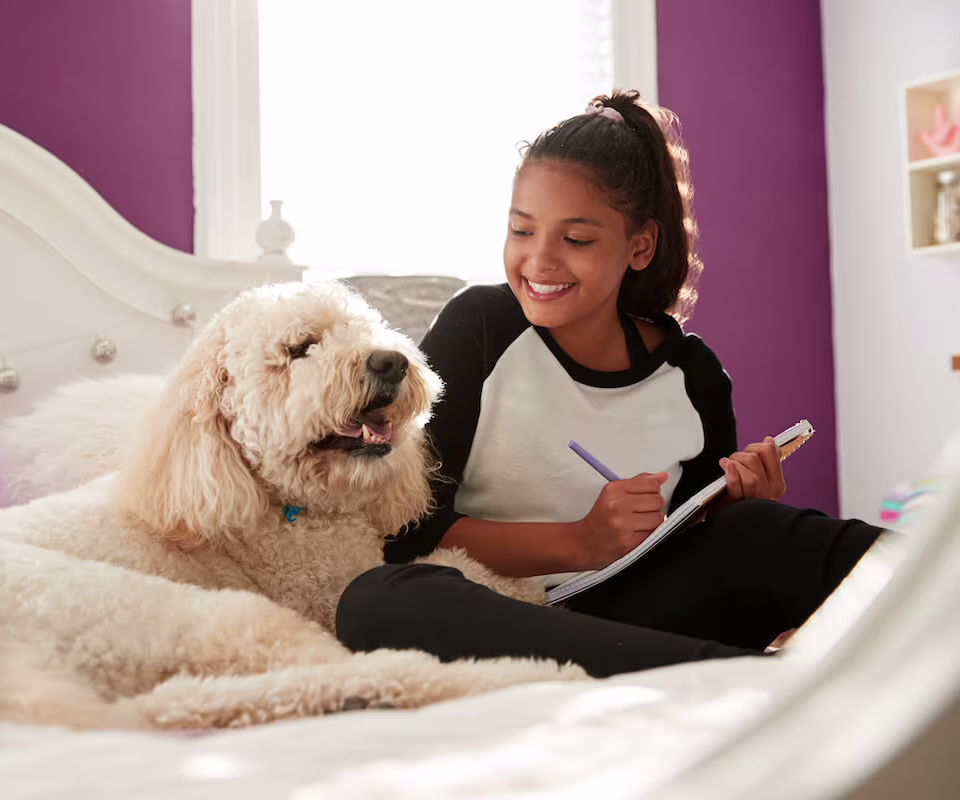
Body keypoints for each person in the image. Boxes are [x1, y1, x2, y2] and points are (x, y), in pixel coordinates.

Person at [334, 90, 883, 678]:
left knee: (761, 530)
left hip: (646, 613)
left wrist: (732, 504)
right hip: (512, 612)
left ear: (639, 245)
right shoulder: (481, 328)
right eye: (522, 231)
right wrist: (580, 541)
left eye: (575, 240)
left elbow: (697, 542)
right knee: (378, 598)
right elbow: (413, 529)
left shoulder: (692, 374)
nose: (539, 260)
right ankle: (759, 678)